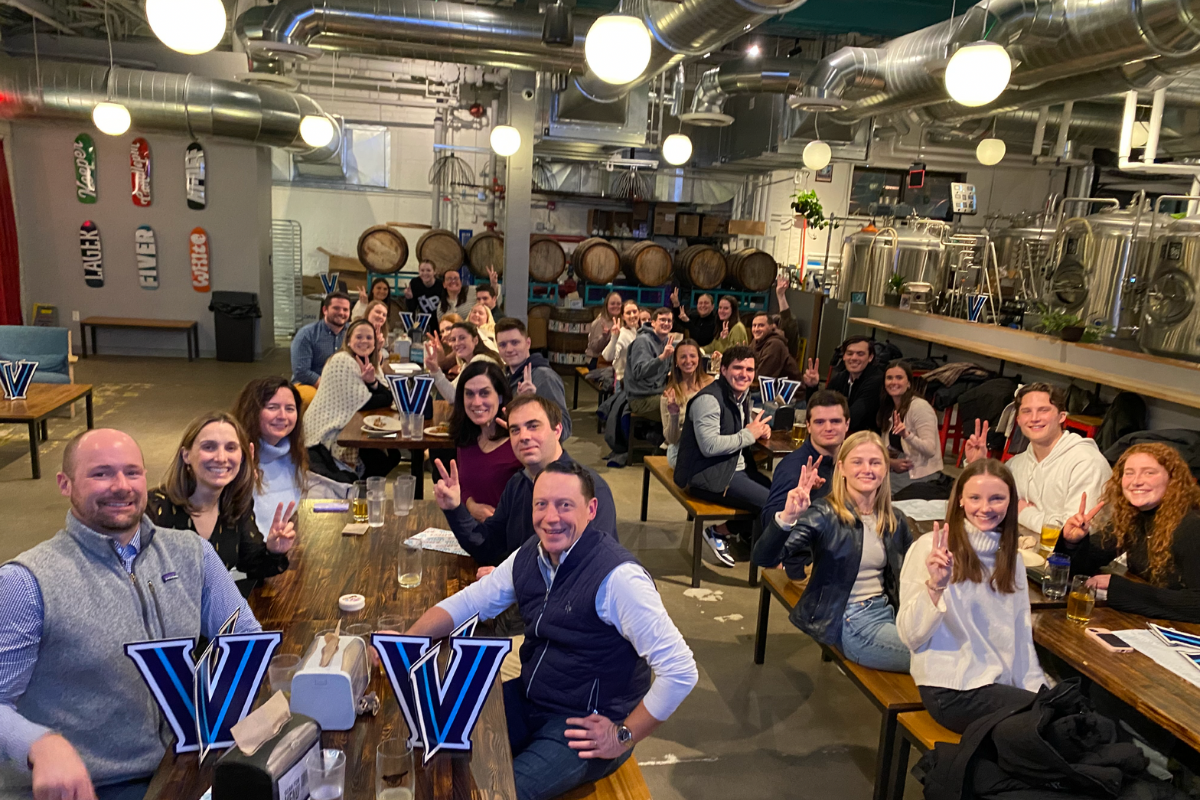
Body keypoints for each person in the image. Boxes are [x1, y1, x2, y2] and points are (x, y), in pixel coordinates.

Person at [409, 460, 697, 800]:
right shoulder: (531, 553)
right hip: (533, 695)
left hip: (582, 724)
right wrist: (398, 643)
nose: (551, 517)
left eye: (565, 505)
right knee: (434, 738)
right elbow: (468, 603)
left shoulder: (618, 579)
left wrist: (623, 735)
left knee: (495, 793)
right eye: (541, 504)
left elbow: (680, 671)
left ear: (591, 510)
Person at [0, 429, 261, 799]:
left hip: (183, 767)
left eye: (132, 472)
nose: (121, 486)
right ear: (64, 483)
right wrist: (39, 744)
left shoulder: (192, 553)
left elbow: (247, 641)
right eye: (101, 473)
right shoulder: (26, 582)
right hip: (93, 786)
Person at [897, 459, 1046, 733]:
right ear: (961, 501)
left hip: (996, 685)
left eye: (997, 498)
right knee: (1051, 724)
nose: (985, 508)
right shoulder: (930, 548)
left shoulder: (1012, 560)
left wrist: (1040, 691)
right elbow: (910, 636)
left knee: (1062, 715)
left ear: (1011, 502)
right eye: (975, 497)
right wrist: (935, 586)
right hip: (950, 687)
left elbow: (1021, 637)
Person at [752, 431, 914, 672]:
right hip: (852, 621)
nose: (867, 469)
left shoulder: (894, 520)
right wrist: (787, 517)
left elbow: (911, 576)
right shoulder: (825, 514)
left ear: (885, 469)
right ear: (842, 468)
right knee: (944, 661)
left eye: (875, 462)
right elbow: (764, 558)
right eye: (857, 462)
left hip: (889, 613)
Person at [433, 395, 613, 565]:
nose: (524, 437)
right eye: (515, 430)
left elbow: (586, 570)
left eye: (533, 426)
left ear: (557, 430)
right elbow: (487, 546)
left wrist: (511, 580)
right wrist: (455, 508)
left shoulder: (591, 488)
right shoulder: (517, 483)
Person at [148, 412, 296, 592]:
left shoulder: (235, 503)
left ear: (242, 457)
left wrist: (274, 550)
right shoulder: (154, 509)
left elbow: (250, 562)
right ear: (186, 455)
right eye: (209, 447)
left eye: (231, 448)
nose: (221, 457)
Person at [1056, 443, 1200, 622]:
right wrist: (1072, 542)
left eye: (1149, 472)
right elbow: (1080, 568)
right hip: (1148, 623)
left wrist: (1120, 589)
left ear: (1172, 479)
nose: (1136, 481)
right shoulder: (1132, 516)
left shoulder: (1191, 526)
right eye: (1129, 473)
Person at [964, 382, 1110, 536]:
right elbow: (987, 510)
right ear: (1019, 420)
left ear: (1062, 417)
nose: (1034, 418)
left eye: (1043, 410)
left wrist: (1024, 512)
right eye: (1027, 411)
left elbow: (1072, 532)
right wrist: (976, 467)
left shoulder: (1087, 464)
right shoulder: (1016, 464)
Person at [673, 345, 773, 568]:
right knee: (771, 503)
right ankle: (769, 561)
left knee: (780, 494)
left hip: (732, 469)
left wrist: (758, 432)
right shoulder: (708, 400)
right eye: (738, 368)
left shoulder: (742, 396)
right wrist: (749, 434)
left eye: (749, 369)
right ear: (724, 369)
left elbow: (735, 430)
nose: (744, 374)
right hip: (706, 475)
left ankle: (723, 531)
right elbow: (709, 446)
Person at [303, 319, 399, 481]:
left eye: (369, 338)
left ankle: (361, 493)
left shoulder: (369, 363)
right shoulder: (342, 360)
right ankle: (357, 493)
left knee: (391, 455)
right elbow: (371, 402)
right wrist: (376, 389)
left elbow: (388, 395)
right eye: (359, 337)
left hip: (352, 425)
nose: (364, 341)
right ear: (348, 340)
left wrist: (372, 382)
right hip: (327, 433)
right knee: (381, 459)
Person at [761, 390, 848, 532]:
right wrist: (796, 504)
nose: (828, 428)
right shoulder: (793, 467)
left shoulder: (850, 463)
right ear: (808, 426)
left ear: (847, 424)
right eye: (819, 422)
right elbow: (768, 523)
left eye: (835, 421)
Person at [232, 377, 309, 536]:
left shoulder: (294, 453)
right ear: (252, 412)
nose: (282, 416)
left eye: (290, 408)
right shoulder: (234, 458)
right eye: (272, 407)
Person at [451, 361, 523, 523]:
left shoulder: (518, 440)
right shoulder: (466, 438)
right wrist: (471, 506)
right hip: (473, 532)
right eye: (469, 394)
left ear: (500, 396)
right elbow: (463, 485)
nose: (476, 402)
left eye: (484, 393)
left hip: (511, 537)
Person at [495, 318, 572, 442]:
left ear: (528, 343)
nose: (509, 349)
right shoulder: (505, 375)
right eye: (503, 345)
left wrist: (532, 403)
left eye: (515, 342)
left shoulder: (544, 377)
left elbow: (564, 429)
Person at [877, 360, 945, 494]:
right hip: (898, 469)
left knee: (878, 491)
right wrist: (890, 462)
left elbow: (930, 450)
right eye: (889, 378)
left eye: (899, 378)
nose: (893, 382)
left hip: (920, 473)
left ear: (908, 383)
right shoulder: (889, 407)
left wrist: (906, 435)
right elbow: (886, 447)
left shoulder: (920, 407)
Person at [801, 335, 884, 434]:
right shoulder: (840, 378)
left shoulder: (876, 381)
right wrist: (812, 387)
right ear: (844, 356)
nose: (854, 358)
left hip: (865, 438)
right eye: (849, 353)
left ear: (870, 357)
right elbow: (818, 409)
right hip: (842, 434)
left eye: (860, 354)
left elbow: (853, 419)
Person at [290, 291, 351, 407]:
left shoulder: (353, 333)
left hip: (343, 383)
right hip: (309, 383)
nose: (341, 313)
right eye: (336, 308)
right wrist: (330, 387)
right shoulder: (306, 334)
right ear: (325, 310)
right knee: (309, 399)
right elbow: (301, 371)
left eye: (345, 309)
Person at [661, 339, 714, 468]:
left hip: (708, 445)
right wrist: (674, 413)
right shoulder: (670, 393)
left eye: (692, 356)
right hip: (680, 449)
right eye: (683, 357)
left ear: (699, 359)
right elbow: (672, 440)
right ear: (676, 362)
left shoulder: (711, 383)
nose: (688, 361)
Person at [426, 320, 504, 401]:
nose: (457, 343)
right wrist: (435, 369)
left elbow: (453, 397)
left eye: (462, 338)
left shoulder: (480, 361)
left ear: (475, 340)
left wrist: (435, 371)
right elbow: (450, 390)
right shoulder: (468, 363)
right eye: (453, 339)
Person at [624, 307, 675, 420]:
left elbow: (668, 370)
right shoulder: (642, 341)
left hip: (658, 393)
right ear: (653, 323)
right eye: (662, 320)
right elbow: (639, 372)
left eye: (669, 320)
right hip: (640, 398)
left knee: (688, 399)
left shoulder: (667, 342)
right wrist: (662, 357)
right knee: (676, 407)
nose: (666, 323)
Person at [749, 311, 801, 380]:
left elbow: (762, 375)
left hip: (787, 389)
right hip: (768, 387)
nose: (756, 329)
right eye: (754, 325)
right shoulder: (755, 342)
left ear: (771, 327)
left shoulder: (775, 344)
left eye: (761, 325)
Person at [601, 300, 641, 386]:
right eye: (628, 313)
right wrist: (614, 337)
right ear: (623, 316)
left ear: (639, 313)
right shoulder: (622, 334)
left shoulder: (641, 333)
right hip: (624, 381)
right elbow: (608, 356)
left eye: (634, 312)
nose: (632, 315)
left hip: (638, 381)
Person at [587, 292, 624, 365]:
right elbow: (595, 348)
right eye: (612, 304)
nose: (616, 306)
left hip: (616, 360)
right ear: (606, 305)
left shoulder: (623, 321)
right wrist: (604, 337)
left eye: (618, 304)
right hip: (597, 360)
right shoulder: (599, 322)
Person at [364, 299, 392, 365]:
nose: (381, 316)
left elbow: (378, 362)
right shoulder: (357, 329)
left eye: (384, 315)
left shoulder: (383, 333)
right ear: (368, 312)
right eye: (378, 312)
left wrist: (378, 349)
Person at [436, 313, 463, 377]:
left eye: (448, 328)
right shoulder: (451, 348)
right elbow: (444, 366)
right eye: (442, 332)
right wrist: (440, 352)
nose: (445, 334)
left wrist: (463, 369)